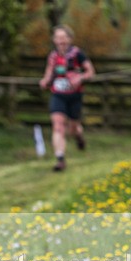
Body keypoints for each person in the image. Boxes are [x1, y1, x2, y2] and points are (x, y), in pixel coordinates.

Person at [39, 25, 96, 172]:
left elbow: (90, 72)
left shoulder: (77, 54)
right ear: (54, 40)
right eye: (57, 38)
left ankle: (79, 136)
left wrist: (80, 77)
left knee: (73, 129)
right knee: (58, 125)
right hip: (58, 95)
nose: (60, 41)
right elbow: (48, 73)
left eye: (63, 37)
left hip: (75, 96)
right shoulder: (53, 56)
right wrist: (44, 81)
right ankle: (60, 159)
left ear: (69, 39)